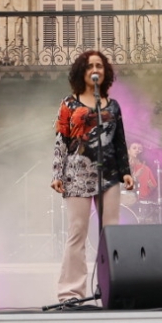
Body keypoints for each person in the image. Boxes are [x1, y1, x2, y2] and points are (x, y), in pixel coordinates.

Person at [50, 50, 134, 303]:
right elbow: (61, 139)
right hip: (76, 173)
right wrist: (57, 172)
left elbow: (119, 141)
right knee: (77, 231)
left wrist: (126, 171)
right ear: (82, 72)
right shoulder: (69, 103)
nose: (95, 69)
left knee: (110, 233)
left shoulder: (113, 106)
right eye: (89, 66)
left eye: (99, 65)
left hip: (108, 174)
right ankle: (71, 293)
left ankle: (113, 288)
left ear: (105, 72)